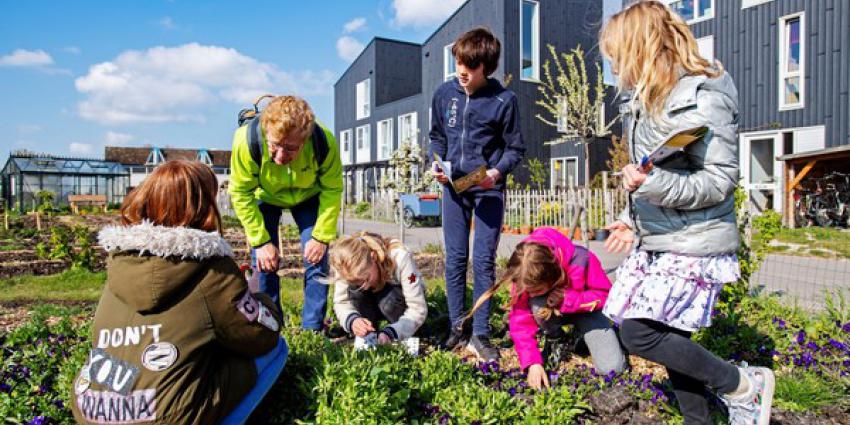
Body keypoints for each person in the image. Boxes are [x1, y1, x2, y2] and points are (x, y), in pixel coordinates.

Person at [599, 2, 774, 424]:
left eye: (618, 56)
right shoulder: (649, 100)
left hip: (693, 240)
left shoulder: (702, 97)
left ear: (641, 49)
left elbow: (718, 182)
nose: (615, 68)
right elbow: (658, 169)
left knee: (639, 332)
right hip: (663, 237)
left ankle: (743, 385)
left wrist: (649, 184)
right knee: (671, 337)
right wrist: (630, 216)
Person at [71, 160, 286, 425]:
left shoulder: (120, 262)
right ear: (204, 206)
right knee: (275, 349)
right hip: (169, 417)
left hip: (93, 410)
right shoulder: (211, 267)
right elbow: (261, 336)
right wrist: (256, 297)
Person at [428, 27, 525, 360]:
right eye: (459, 63)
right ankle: (457, 328)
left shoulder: (504, 101)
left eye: (470, 66)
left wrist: (496, 173)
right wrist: (436, 163)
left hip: (488, 191)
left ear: (487, 67)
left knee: (483, 260)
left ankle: (480, 334)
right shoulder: (444, 94)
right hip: (454, 190)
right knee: (455, 259)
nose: (462, 71)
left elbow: (515, 149)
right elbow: (436, 137)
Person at [229, 95, 343, 331]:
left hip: (308, 195)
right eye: (274, 145)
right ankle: (271, 327)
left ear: (305, 139)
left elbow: (332, 189)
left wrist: (321, 237)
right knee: (264, 262)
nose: (280, 157)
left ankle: (312, 330)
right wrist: (261, 242)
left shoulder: (324, 141)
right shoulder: (246, 141)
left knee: (316, 258)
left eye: (291, 148)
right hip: (265, 195)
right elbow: (240, 192)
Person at [468, 227, 627, 390]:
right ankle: (557, 339)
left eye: (536, 290)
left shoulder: (583, 259)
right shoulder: (523, 272)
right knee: (537, 304)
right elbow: (520, 323)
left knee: (612, 369)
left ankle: (580, 337)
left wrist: (569, 299)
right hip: (553, 310)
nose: (531, 294)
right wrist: (532, 363)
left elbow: (606, 296)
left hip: (587, 311)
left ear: (553, 276)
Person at [330, 232, 428, 345]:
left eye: (366, 279)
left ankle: (406, 334)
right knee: (355, 292)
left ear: (374, 257)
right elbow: (341, 302)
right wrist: (352, 321)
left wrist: (392, 332)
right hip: (371, 303)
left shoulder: (400, 258)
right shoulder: (345, 265)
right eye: (357, 282)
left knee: (388, 302)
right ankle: (369, 336)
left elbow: (417, 309)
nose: (364, 287)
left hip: (398, 303)